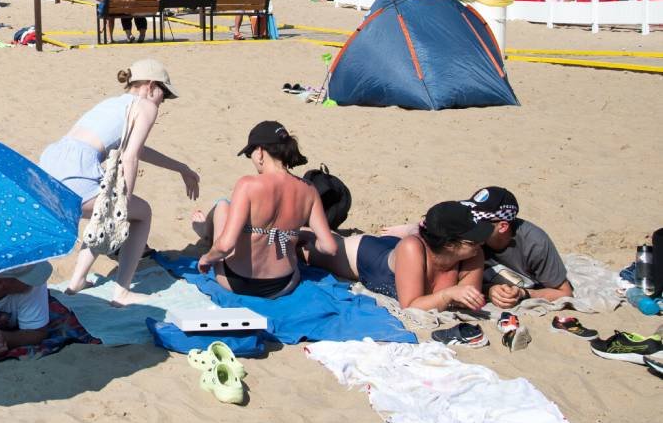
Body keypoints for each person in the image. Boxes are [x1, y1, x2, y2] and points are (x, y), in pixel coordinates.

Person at [40, 60, 199, 305]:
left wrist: (181, 168)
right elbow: (130, 156)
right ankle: (122, 291)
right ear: (150, 86)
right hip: (76, 172)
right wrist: (123, 203)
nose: (162, 101)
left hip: (50, 167)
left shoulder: (113, 103)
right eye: (163, 95)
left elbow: (138, 150)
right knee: (141, 212)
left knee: (104, 211)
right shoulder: (145, 105)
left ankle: (76, 282)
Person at [192, 122, 338, 298]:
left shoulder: (248, 184)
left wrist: (206, 259)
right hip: (284, 284)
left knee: (223, 205)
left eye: (249, 154)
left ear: (260, 151)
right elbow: (330, 248)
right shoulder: (309, 190)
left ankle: (204, 233)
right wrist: (297, 237)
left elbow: (226, 245)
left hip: (238, 281)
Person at [380, 187, 572, 307]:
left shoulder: (534, 243)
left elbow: (564, 293)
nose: (472, 225)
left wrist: (523, 294)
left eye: (479, 221)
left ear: (502, 226)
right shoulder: (470, 241)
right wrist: (409, 228)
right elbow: (444, 228)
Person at [306, 200, 490, 311]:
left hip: (403, 253)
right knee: (308, 248)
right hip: (368, 256)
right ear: (450, 244)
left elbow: (468, 300)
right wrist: (448, 294)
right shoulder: (411, 249)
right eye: (473, 240)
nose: (481, 242)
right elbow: (410, 305)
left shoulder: (473, 254)